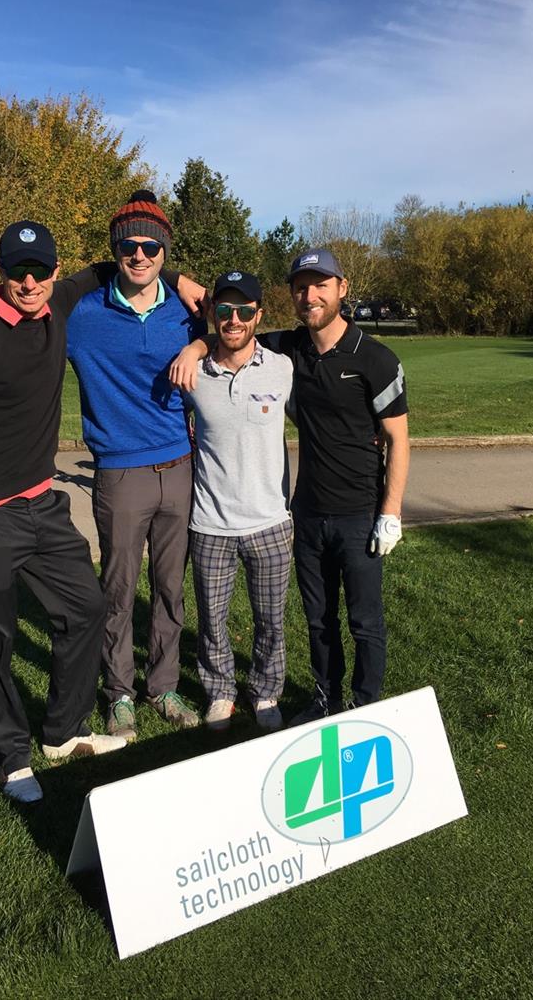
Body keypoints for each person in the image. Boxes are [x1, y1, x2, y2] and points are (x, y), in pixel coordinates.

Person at [0, 192, 207, 743]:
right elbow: (21, 314)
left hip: (181, 467)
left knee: (169, 589)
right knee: (115, 592)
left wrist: (202, 338)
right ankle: (119, 693)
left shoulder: (188, 312)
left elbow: (238, 328)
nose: (139, 255)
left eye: (150, 246)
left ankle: (161, 686)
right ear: (114, 250)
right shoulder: (82, 314)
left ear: (165, 250)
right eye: (128, 246)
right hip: (120, 474)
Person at [0, 221, 127, 805]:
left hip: (45, 507)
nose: (30, 281)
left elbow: (118, 263)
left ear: (56, 272)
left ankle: (63, 732)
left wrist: (186, 285)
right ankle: (12, 756)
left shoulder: (59, 303)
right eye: (18, 272)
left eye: (40, 270)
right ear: (0, 273)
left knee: (86, 608)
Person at [170, 248, 410, 725]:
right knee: (318, 620)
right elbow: (232, 336)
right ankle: (325, 698)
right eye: (302, 287)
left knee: (364, 622)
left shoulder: (376, 359)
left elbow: (398, 438)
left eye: (321, 284)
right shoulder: (290, 351)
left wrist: (392, 511)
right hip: (306, 511)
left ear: (342, 289)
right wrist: (195, 346)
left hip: (361, 512)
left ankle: (365, 706)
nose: (311, 294)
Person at [183, 271, 294, 732]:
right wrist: (196, 347)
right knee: (212, 622)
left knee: (271, 622)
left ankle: (266, 692)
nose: (234, 320)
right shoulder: (191, 373)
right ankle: (221, 691)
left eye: (244, 311)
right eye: (224, 310)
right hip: (210, 524)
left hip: (270, 523)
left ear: (258, 316)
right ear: (213, 314)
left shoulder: (282, 367)